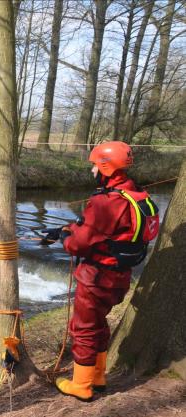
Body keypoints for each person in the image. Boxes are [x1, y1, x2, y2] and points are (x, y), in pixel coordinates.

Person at [40, 141, 159, 402]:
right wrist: (67, 228)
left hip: (97, 278)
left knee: (82, 328)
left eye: (95, 164)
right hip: (119, 276)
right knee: (98, 325)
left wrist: (65, 239)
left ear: (106, 167)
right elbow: (100, 229)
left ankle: (81, 386)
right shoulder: (135, 194)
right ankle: (98, 377)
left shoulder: (106, 203)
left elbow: (79, 245)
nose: (93, 169)